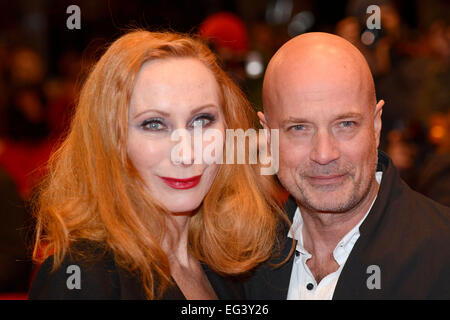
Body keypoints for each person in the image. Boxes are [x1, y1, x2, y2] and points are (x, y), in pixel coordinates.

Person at [28, 30, 286, 300]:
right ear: (110, 140)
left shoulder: (234, 268)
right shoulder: (81, 277)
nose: (186, 154)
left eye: (202, 121)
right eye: (154, 124)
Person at [244, 32, 450, 299]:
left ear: (376, 127)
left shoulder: (441, 254)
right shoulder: (239, 264)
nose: (324, 153)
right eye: (299, 128)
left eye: (345, 125)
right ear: (268, 135)